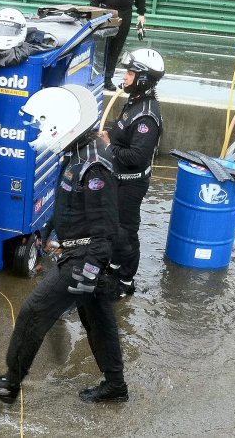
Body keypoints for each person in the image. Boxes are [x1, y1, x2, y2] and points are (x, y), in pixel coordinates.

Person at [0, 85, 128, 404]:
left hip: (85, 258)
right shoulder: (76, 153)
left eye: (44, 124)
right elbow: (67, 205)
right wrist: (45, 234)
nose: (40, 131)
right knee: (98, 320)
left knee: (33, 312)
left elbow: (106, 229)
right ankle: (116, 385)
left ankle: (9, 384)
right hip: (77, 253)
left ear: (61, 125)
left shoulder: (95, 167)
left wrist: (86, 273)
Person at [97, 48, 164, 299]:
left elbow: (137, 156)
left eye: (130, 73)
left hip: (131, 184)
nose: (125, 77)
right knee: (113, 228)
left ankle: (126, 281)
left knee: (125, 232)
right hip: (118, 180)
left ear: (144, 79)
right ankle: (113, 268)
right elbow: (122, 133)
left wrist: (108, 146)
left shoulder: (147, 115)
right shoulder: (135, 102)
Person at [90, 0, 146, 91]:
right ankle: (95, 77)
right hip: (107, 11)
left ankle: (107, 78)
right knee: (100, 48)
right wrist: (93, 11)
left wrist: (141, 13)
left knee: (116, 48)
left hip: (125, 13)